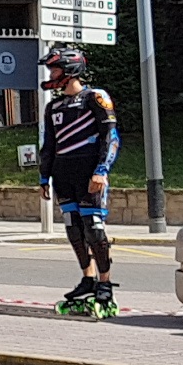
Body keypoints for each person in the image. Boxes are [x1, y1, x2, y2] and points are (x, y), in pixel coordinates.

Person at [36, 44, 122, 318]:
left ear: (71, 70)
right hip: (63, 174)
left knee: (93, 228)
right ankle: (87, 278)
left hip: (90, 174)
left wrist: (102, 170)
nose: (52, 74)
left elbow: (111, 137)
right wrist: (43, 177)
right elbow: (48, 145)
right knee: (74, 229)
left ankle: (105, 284)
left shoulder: (95, 97)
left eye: (56, 68)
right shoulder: (53, 107)